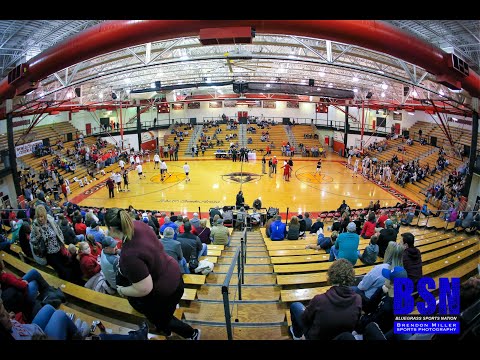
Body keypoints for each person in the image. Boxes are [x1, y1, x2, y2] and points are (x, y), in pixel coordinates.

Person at [105, 208, 200, 339]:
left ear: (111, 228)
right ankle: (167, 328)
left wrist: (122, 290)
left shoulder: (129, 255)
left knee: (162, 319)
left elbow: (144, 288)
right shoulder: (139, 224)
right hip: (174, 275)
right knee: (166, 312)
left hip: (165, 289)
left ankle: (192, 334)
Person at [288, 259, 362, 340]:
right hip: (340, 337)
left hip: (315, 337)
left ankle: (297, 335)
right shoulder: (358, 299)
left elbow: (305, 320)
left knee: (295, 306)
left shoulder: (319, 300)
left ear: (331, 275)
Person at [30, 205, 72, 281]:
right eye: (38, 217)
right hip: (49, 254)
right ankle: (68, 285)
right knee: (62, 270)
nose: (40, 219)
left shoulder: (50, 220)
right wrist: (38, 236)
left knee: (67, 264)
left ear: (45, 215)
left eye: (42, 216)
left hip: (58, 249)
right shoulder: (35, 226)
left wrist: (62, 241)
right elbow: (32, 241)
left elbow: (58, 231)